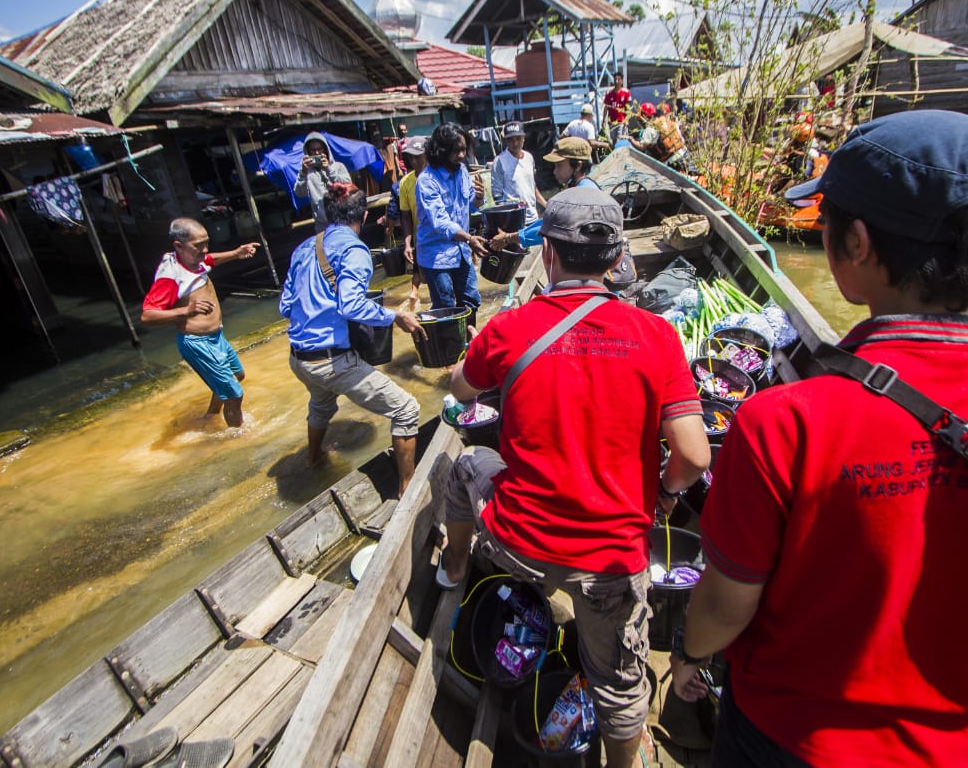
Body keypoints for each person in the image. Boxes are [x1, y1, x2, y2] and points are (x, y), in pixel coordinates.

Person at [670, 110, 968, 767]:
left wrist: (689, 650)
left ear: (855, 243)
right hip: (946, 747)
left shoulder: (784, 421)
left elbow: (725, 602)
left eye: (825, 221)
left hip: (785, 737)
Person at [441, 186, 711, 768]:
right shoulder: (657, 336)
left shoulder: (511, 327)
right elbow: (694, 456)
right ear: (618, 262)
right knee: (618, 683)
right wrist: (663, 498)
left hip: (520, 541)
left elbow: (460, 389)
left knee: (466, 464)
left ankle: (456, 567)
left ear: (549, 256)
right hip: (609, 563)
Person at [280, 183, 427, 493]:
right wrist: (396, 316)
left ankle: (313, 459)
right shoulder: (354, 250)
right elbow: (351, 305)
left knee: (321, 403)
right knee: (407, 409)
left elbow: (285, 307)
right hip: (331, 361)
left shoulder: (303, 248)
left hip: (299, 359)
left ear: (327, 214)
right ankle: (408, 488)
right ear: (363, 215)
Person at [141, 218, 261, 428]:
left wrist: (236, 253)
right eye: (198, 245)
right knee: (234, 394)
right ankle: (239, 436)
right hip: (197, 342)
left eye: (206, 243)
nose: (205, 250)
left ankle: (211, 415)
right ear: (178, 245)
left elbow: (211, 259)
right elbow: (148, 316)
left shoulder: (194, 259)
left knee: (237, 375)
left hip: (216, 336)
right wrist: (186, 310)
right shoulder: (171, 276)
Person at [415, 122, 488, 320]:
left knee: (471, 300)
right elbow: (441, 223)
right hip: (436, 256)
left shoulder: (462, 171)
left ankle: (470, 344)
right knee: (445, 306)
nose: (462, 155)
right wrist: (469, 238)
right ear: (441, 151)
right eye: (456, 151)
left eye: (464, 149)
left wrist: (479, 198)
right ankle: (449, 349)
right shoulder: (427, 181)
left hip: (461, 251)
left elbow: (470, 205)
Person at [294, 132, 352, 231]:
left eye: (319, 149)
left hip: (343, 221)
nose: (317, 153)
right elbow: (300, 193)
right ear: (308, 152)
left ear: (325, 149)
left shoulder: (338, 166)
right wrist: (303, 173)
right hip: (322, 226)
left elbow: (348, 186)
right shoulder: (307, 173)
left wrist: (329, 170)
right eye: (313, 150)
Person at [397, 136, 429, 310]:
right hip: (420, 237)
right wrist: (407, 243)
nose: (415, 161)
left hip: (438, 237)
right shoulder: (405, 183)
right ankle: (413, 298)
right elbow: (405, 216)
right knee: (417, 269)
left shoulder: (437, 177)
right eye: (411, 157)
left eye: (419, 156)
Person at [490, 122, 542, 223]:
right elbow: (497, 195)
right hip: (514, 220)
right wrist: (506, 219)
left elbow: (532, 187)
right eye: (511, 140)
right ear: (506, 141)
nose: (515, 143)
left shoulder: (529, 157)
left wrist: (546, 205)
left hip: (533, 217)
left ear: (524, 138)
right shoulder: (500, 161)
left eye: (518, 139)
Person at [603, 72, 632, 142]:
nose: (616, 81)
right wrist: (604, 120)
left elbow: (628, 108)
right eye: (615, 79)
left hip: (621, 121)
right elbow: (606, 107)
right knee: (613, 140)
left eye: (618, 79)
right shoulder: (609, 93)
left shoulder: (626, 92)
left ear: (621, 81)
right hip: (612, 122)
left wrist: (627, 120)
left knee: (621, 139)